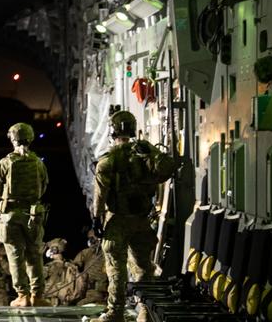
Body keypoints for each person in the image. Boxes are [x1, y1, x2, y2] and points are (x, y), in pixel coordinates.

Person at [92, 110, 179, 322]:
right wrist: (151, 150)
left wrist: (96, 220)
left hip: (117, 221)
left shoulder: (107, 161)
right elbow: (169, 168)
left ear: (111, 131)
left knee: (116, 270)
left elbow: (100, 196)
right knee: (144, 269)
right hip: (141, 221)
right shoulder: (146, 157)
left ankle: (115, 313)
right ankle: (145, 313)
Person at [0, 122, 49, 307]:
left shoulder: (5, 163)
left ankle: (22, 295)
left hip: (10, 216)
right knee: (35, 255)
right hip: (32, 215)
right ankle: (37, 295)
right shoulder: (38, 163)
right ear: (30, 139)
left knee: (15, 255)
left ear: (12, 139)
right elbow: (44, 186)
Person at [71, 228, 108, 305]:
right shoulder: (87, 252)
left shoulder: (107, 253)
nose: (91, 240)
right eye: (89, 238)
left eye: (92, 238)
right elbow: (74, 265)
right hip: (90, 290)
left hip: (99, 292)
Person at [42, 238, 82, 305]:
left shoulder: (49, 267)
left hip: (49, 303)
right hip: (67, 304)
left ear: (53, 250)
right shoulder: (73, 267)